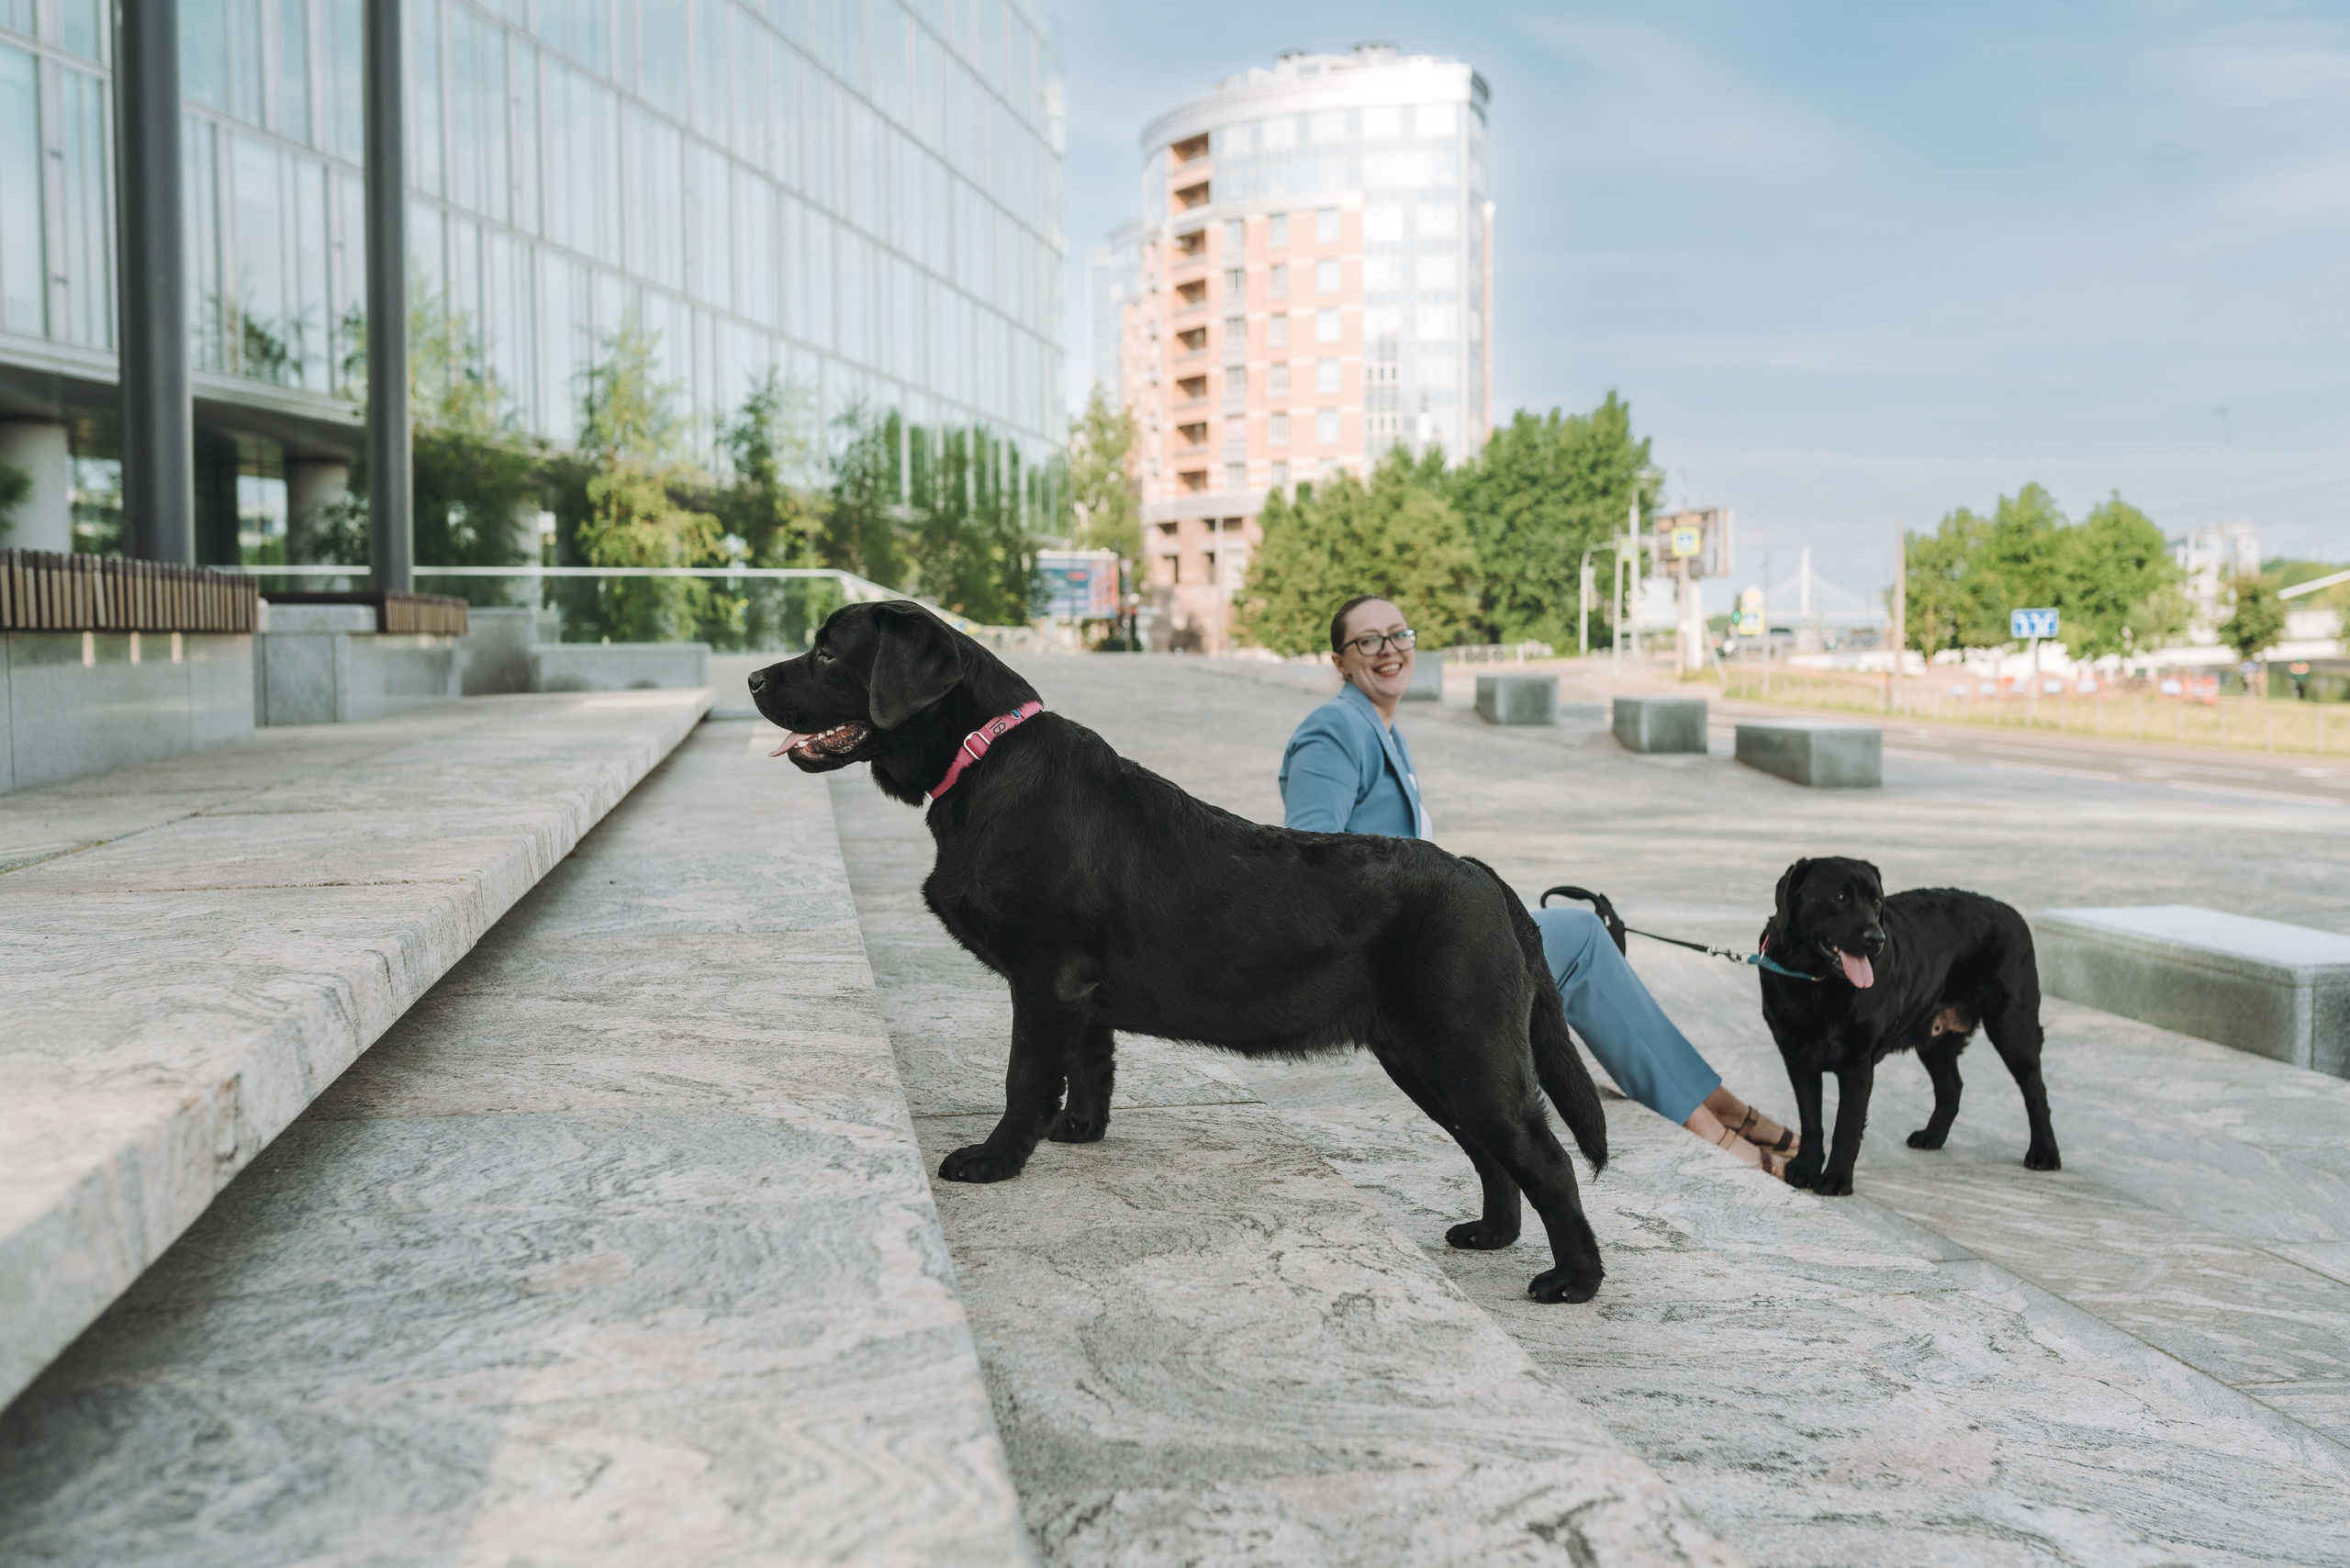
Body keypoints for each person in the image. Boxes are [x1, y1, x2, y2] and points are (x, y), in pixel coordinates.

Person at [1278, 593, 1797, 1177]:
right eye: (1368, 640)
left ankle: (1712, 1103)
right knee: (1576, 935)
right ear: (1340, 661)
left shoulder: (1379, 727)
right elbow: (1311, 864)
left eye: (1399, 634)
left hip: (1423, 943)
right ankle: (1711, 1120)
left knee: (1573, 942)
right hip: (1397, 965)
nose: (1390, 650)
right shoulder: (1333, 729)